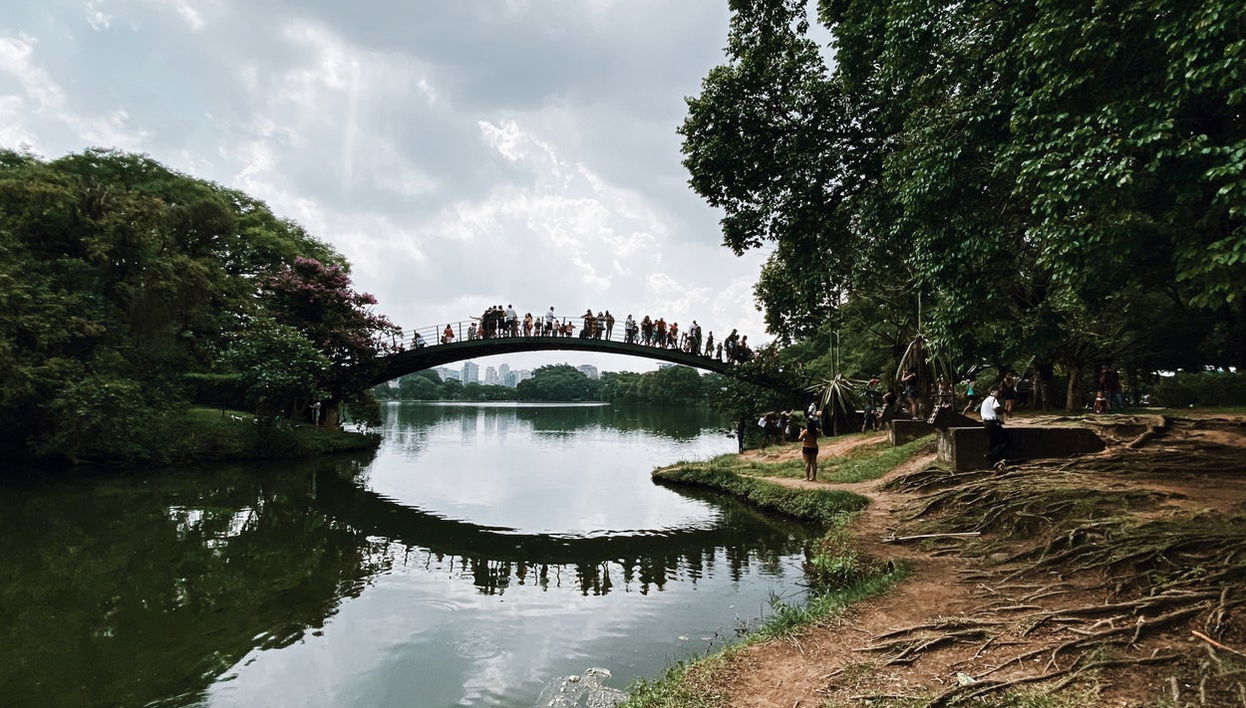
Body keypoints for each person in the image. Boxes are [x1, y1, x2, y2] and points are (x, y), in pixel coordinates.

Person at [980, 385, 1008, 470]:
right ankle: (991, 456)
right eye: (998, 392)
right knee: (1004, 441)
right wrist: (1005, 411)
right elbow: (997, 409)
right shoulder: (993, 399)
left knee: (993, 442)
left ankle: (993, 461)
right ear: (993, 392)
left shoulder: (985, 401)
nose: (999, 394)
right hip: (992, 423)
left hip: (986, 422)